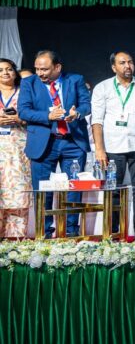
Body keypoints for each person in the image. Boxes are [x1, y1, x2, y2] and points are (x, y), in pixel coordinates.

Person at [18, 50, 91, 237]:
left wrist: (77, 113)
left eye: (44, 69)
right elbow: (23, 111)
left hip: (72, 142)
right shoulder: (28, 82)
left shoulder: (75, 79)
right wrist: (48, 116)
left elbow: (86, 105)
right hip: (44, 143)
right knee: (43, 190)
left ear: (57, 67)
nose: (39, 73)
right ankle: (44, 233)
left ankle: (71, 232)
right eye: (37, 69)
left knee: (73, 189)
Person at [91, 51, 135, 239]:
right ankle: (114, 233)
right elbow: (97, 121)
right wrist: (99, 149)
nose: (127, 66)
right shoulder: (103, 88)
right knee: (113, 190)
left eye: (130, 62)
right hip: (113, 146)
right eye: (122, 63)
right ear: (113, 67)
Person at [0, 59, 31, 238]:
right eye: (1, 70)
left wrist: (19, 119)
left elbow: (36, 116)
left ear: (15, 72)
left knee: (19, 193)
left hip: (19, 149)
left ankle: (16, 241)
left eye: (9, 69)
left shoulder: (25, 93)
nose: (5, 73)